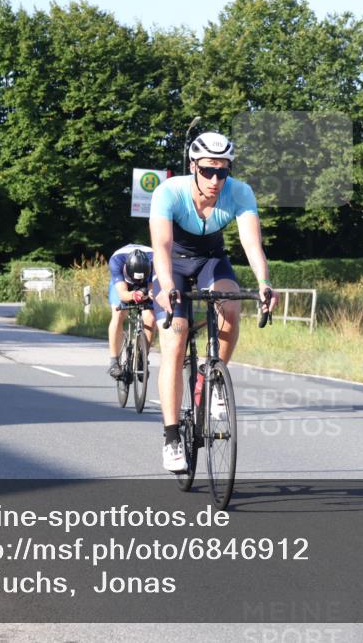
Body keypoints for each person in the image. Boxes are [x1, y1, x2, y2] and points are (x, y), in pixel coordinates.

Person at [150, 131, 277, 472]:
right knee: (175, 337)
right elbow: (160, 246)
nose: (216, 179)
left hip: (211, 260)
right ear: (193, 166)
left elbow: (252, 245)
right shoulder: (169, 192)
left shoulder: (240, 192)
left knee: (231, 306)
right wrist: (166, 285)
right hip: (172, 263)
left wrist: (264, 283)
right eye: (208, 171)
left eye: (223, 171)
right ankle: (172, 436)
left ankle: (212, 380)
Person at [106, 245, 156, 379]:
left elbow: (152, 290)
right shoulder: (116, 261)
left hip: (146, 280)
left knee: (150, 318)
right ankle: (114, 361)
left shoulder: (155, 260)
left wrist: (147, 294)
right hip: (124, 284)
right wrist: (134, 295)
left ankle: (142, 357)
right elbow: (122, 294)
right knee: (118, 314)